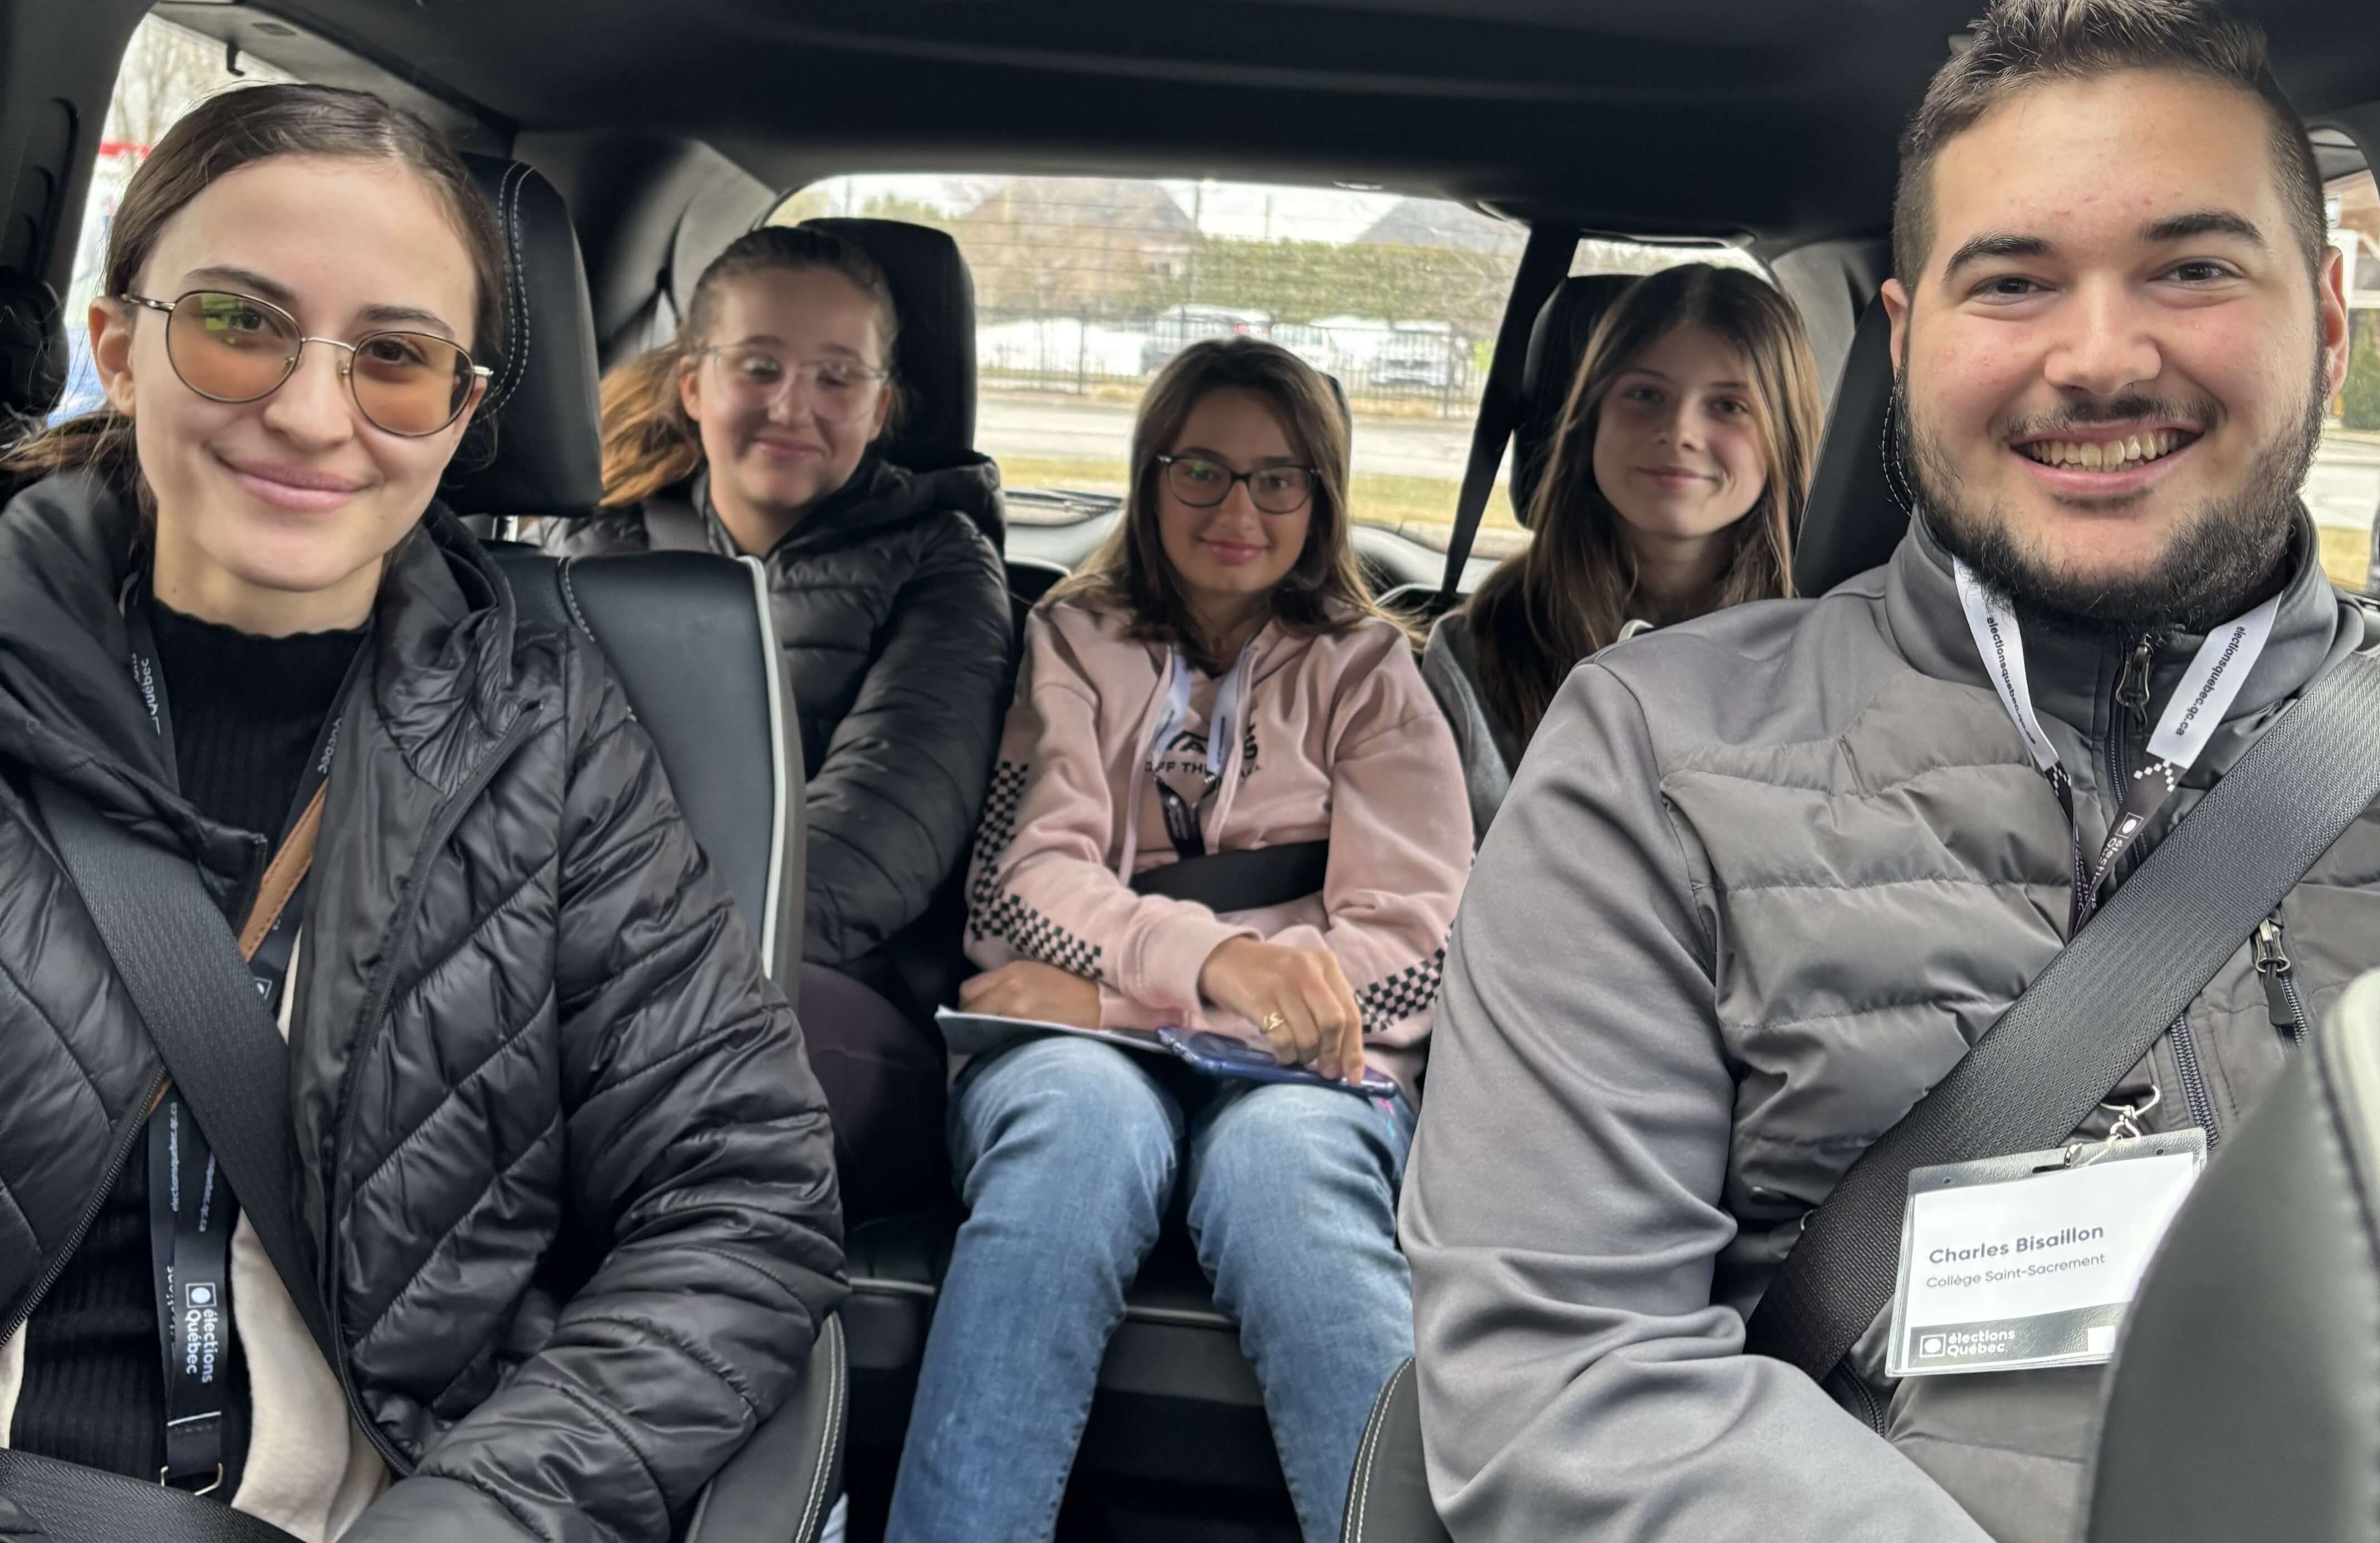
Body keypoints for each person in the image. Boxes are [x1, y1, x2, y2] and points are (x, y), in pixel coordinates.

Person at [1406, 0, 2380, 1543]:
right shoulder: (1655, 751)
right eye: (2010, 282)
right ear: (1907, 336)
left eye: (2190, 264)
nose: (2099, 354)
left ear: (2328, 317)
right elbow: (1567, 1375)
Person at [0, 84, 844, 1542]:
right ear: (121, 349)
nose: (312, 412)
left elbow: (744, 1193)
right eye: (238, 321)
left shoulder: (552, 737)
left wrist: (491, 1507)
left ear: (461, 414)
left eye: (393, 356)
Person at [884, 339, 1472, 1543]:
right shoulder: (1074, 638)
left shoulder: (1372, 672)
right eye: (1200, 469)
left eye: (1277, 478)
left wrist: (1120, 1000)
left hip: (1295, 1071)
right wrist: (1223, 960)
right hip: (1083, 1068)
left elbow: (1414, 955)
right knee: (1075, 1130)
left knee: (1286, 1167)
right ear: (1150, 479)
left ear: (1322, 495)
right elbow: (1020, 889)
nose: (1237, 508)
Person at [546, 225, 1011, 1222]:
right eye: (758, 366)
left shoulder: (939, 563)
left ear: (881, 407)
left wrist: (641, 965)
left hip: (831, 983)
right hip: (586, 962)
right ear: (692, 384)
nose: (792, 408)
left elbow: (884, 832)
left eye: (837, 379)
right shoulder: (588, 544)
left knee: (695, 1069)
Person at [1423, 264, 1821, 836]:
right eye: (1645, 395)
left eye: (1729, 406)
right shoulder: (1482, 647)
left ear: (1784, 433)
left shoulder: (1833, 649)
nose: (1679, 431)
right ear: (1591, 423)